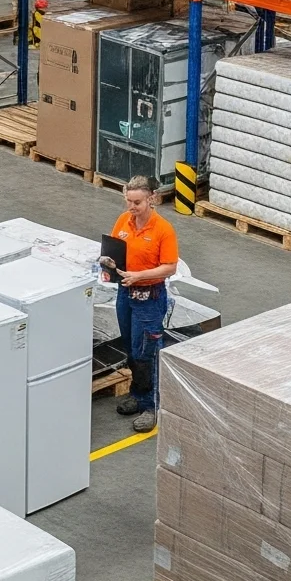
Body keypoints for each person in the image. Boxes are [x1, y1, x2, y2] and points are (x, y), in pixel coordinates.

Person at [102, 175, 180, 435]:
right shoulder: (124, 221)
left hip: (150, 297)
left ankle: (151, 405)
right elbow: (116, 250)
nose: (131, 207)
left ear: (151, 199)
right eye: (128, 201)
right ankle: (138, 393)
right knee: (130, 347)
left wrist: (139, 276)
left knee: (146, 351)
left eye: (137, 202)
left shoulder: (163, 230)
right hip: (126, 293)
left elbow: (170, 267)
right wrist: (109, 264)